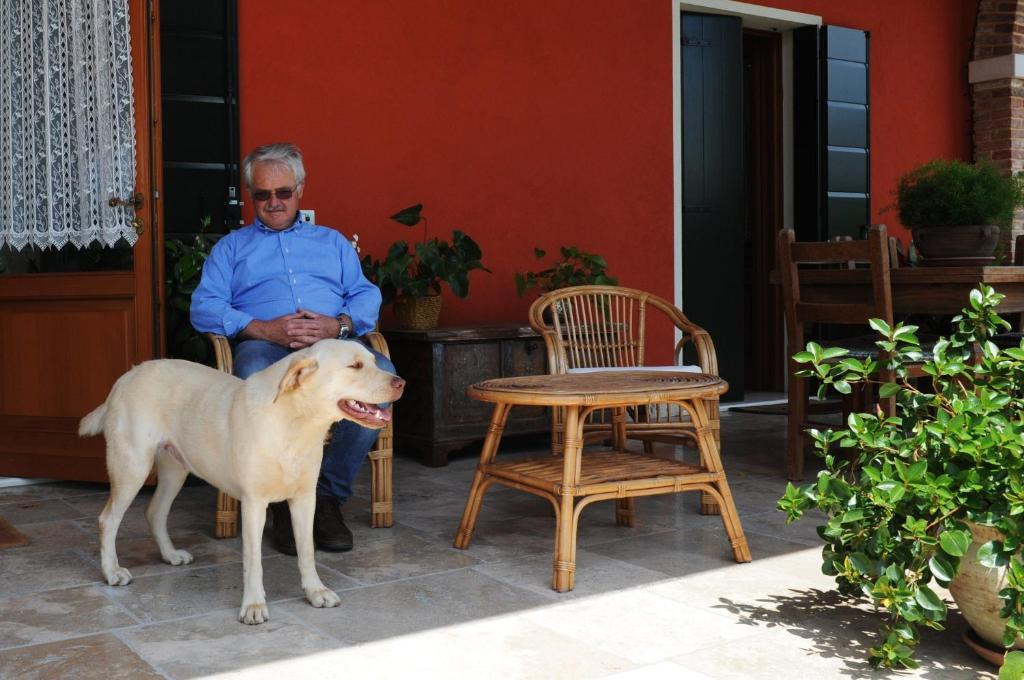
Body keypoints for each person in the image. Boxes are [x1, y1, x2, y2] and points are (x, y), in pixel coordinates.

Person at [190, 142, 391, 555]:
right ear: (251, 196)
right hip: (266, 350)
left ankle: (326, 499)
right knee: (252, 382)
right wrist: (262, 328)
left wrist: (338, 324)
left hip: (332, 349)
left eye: (283, 193)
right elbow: (203, 307)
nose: (274, 202)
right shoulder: (231, 249)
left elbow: (365, 295)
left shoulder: (332, 243)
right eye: (263, 194)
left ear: (300, 190)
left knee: (380, 375)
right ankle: (280, 501)